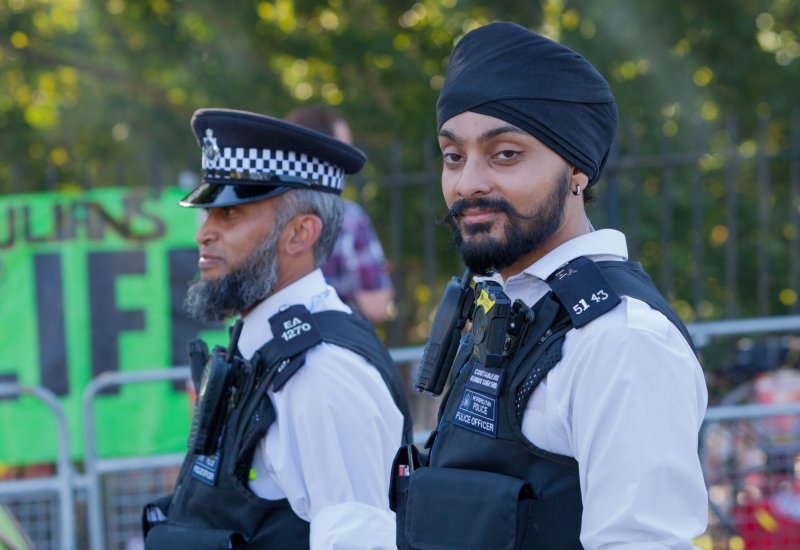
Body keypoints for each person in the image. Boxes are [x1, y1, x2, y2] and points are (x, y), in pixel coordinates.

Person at [394, 22, 709, 549]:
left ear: (577, 171)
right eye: (453, 156)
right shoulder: (503, 307)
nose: (468, 182)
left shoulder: (620, 342)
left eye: (505, 154)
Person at [142, 108, 412, 549]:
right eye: (207, 213)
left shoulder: (322, 373)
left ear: (300, 234)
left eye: (229, 214)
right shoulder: (265, 347)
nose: (204, 234)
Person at [284, 104, 395, 323]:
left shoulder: (266, 213)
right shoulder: (349, 219)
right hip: (336, 341)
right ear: (325, 154)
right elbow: (377, 305)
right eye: (344, 151)